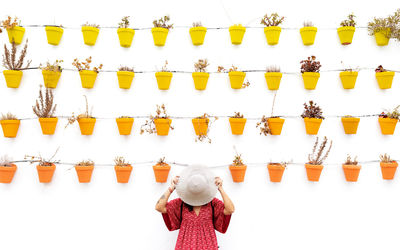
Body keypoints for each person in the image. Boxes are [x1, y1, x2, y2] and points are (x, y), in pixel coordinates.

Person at [155, 165, 235, 250]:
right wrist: (172, 187)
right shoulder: (181, 203)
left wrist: (220, 189)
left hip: (208, 246)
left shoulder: (212, 203)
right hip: (185, 246)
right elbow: (159, 207)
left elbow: (230, 209)